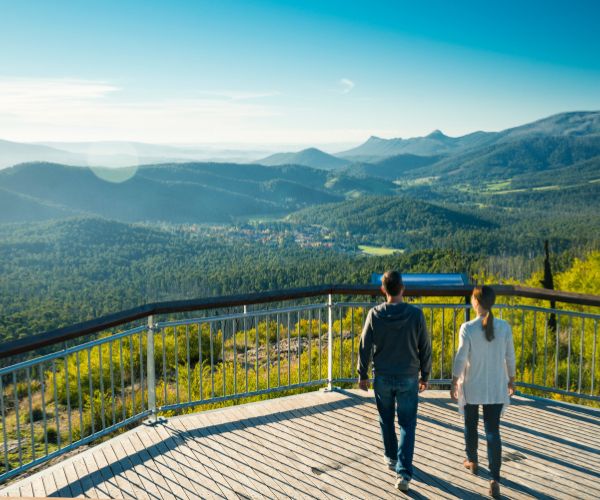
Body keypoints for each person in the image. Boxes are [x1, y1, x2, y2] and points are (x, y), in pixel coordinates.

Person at [357, 270, 432, 492]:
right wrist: (425, 375)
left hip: (382, 376)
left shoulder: (375, 313)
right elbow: (425, 348)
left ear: (383, 290)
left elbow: (364, 346)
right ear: (402, 288)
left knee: (385, 418)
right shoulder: (416, 315)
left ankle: (391, 457)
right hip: (408, 376)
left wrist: (362, 374)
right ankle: (403, 472)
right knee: (407, 424)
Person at [451, 285, 516, 499]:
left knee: (470, 424)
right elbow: (510, 357)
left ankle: (472, 460)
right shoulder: (504, 327)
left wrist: (453, 380)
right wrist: (512, 379)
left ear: (476, 303)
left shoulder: (467, 328)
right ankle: (494, 478)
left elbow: (461, 357)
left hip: (472, 385)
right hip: (496, 386)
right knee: (492, 431)